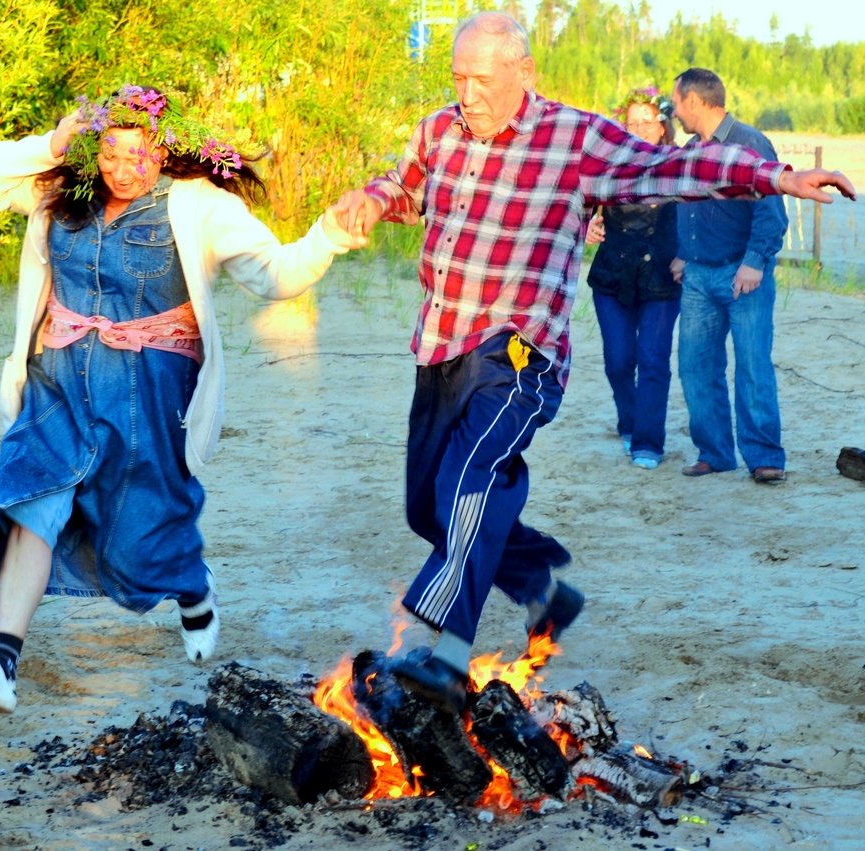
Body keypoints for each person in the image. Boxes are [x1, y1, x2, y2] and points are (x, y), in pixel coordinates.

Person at [334, 11, 856, 715]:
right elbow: (405, 189)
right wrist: (370, 201)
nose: (468, 94)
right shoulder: (439, 131)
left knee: (468, 481)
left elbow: (672, 166)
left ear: (524, 73)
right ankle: (544, 591)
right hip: (441, 346)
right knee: (428, 508)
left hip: (519, 354)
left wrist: (775, 177)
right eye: (458, 78)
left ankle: (449, 658)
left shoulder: (573, 139)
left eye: (483, 80)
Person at [0, 84, 357, 713]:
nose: (123, 169)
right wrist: (50, 144)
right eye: (109, 153)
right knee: (30, 501)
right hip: (57, 381)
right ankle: (1, 664)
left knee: (137, 541)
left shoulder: (198, 206)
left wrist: (330, 234)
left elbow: (276, 275)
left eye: (138, 154)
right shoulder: (61, 189)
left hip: (148, 391)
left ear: (165, 148)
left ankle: (191, 584)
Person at [670, 68, 789, 484]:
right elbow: (689, 205)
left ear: (695, 101)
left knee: (753, 366)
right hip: (698, 277)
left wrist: (755, 261)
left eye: (677, 102)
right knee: (695, 367)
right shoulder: (690, 149)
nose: (674, 111)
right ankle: (715, 453)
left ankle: (764, 457)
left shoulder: (750, 143)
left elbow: (771, 211)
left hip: (743, 275)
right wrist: (683, 253)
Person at [585, 87, 680, 470]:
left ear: (662, 126)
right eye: (631, 122)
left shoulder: (677, 164)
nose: (639, 129)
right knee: (618, 361)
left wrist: (690, 253)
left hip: (662, 276)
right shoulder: (606, 164)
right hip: (613, 274)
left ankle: (648, 442)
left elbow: (701, 212)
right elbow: (577, 201)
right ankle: (629, 422)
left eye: (647, 121)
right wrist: (587, 224)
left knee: (653, 360)